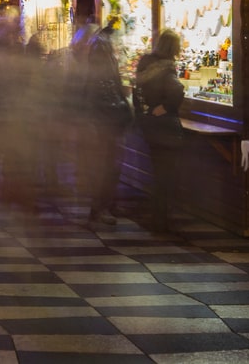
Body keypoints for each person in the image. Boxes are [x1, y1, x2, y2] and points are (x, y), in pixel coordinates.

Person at [80, 23, 132, 226]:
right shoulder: (101, 60)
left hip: (106, 119)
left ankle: (107, 204)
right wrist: (122, 106)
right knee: (107, 166)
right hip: (106, 121)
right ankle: (98, 209)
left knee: (111, 165)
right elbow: (105, 93)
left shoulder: (101, 57)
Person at [134, 29, 186, 233]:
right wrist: (164, 108)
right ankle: (161, 221)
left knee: (158, 173)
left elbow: (137, 93)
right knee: (166, 176)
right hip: (165, 128)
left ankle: (158, 217)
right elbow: (177, 92)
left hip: (150, 128)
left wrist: (144, 114)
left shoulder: (144, 64)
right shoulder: (167, 68)